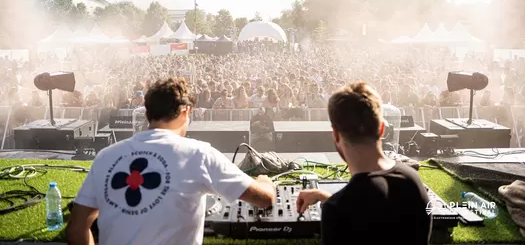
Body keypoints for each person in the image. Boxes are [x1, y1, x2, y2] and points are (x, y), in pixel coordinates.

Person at [67, 78, 276, 245]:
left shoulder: (106, 156)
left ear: (148, 112)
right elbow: (265, 199)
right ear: (185, 112)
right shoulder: (198, 153)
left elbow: (77, 229)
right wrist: (264, 181)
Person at [296, 82, 431, 245]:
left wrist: (334, 203)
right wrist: (328, 198)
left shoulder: (337, 210)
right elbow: (380, 214)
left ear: (336, 136)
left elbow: (362, 209)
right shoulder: (413, 181)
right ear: (382, 129)